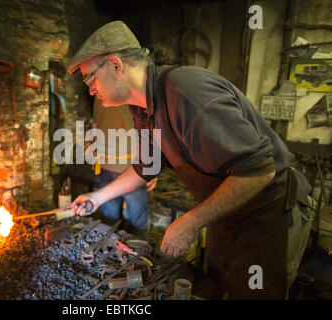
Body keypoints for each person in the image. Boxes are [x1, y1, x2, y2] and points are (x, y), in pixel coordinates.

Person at [67, 20, 315, 299]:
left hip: (268, 211)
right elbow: (146, 167)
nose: (90, 90)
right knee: (215, 285)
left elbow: (259, 171)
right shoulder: (142, 108)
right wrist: (98, 197)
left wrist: (191, 221)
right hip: (228, 212)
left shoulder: (187, 91)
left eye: (90, 78)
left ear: (115, 64)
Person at [90, 97, 156, 237]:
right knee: (138, 221)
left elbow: (94, 127)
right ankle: (139, 253)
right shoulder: (133, 95)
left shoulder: (98, 95)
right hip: (134, 170)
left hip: (106, 164)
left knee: (108, 220)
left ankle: (108, 250)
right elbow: (149, 131)